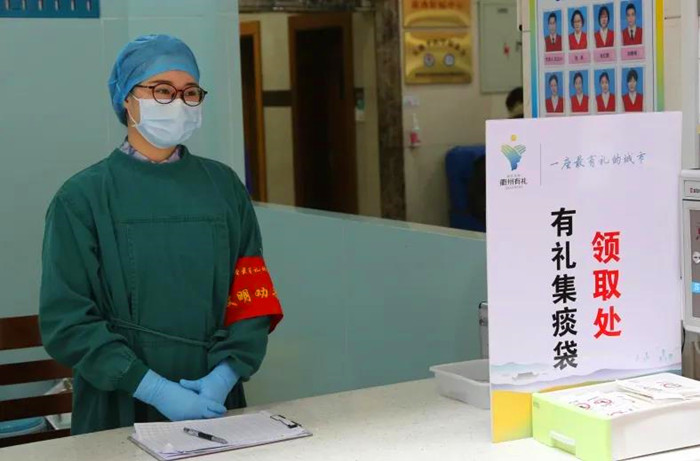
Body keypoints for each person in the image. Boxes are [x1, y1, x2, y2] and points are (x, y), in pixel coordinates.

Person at [39, 34, 284, 435]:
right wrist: (152, 388)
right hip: (118, 403)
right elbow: (67, 321)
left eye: (190, 92)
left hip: (213, 400)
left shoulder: (223, 187)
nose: (179, 102)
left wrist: (225, 374)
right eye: (163, 90)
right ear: (127, 98)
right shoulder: (83, 198)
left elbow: (251, 295)